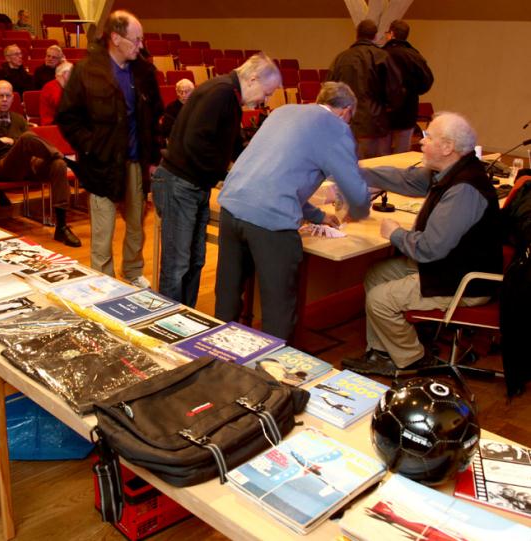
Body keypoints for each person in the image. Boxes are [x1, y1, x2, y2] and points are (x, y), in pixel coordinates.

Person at [342, 112, 503, 376]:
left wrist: (395, 233)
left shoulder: (464, 189)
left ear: (447, 147)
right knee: (376, 274)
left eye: (428, 138)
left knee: (380, 299)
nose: (421, 143)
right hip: (450, 265)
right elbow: (406, 179)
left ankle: (412, 360)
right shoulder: (453, 170)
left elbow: (430, 248)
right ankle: (382, 353)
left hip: (463, 281)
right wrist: (356, 173)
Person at [214, 82, 371, 341]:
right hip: (270, 222)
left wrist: (317, 216)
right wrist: (362, 204)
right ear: (346, 111)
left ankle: (216, 361)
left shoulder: (283, 111)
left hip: (233, 207)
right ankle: (272, 373)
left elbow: (275, 174)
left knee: (227, 298)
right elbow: (355, 193)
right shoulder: (336, 128)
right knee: (279, 308)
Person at [152, 53, 282, 307]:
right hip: (180, 183)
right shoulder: (221, 93)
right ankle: (166, 327)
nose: (263, 101)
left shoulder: (228, 96)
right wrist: (225, 176)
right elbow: (196, 143)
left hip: (194, 185)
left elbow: (233, 146)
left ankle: (185, 317)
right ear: (253, 79)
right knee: (177, 265)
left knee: (195, 260)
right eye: (266, 93)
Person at [58, 10, 164, 286]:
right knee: (103, 229)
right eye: (136, 39)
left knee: (136, 225)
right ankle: (103, 281)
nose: (140, 46)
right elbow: (68, 117)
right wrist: (91, 146)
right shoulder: (87, 71)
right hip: (101, 164)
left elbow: (154, 117)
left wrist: (153, 157)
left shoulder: (143, 71)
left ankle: (132, 272)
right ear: (115, 38)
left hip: (135, 161)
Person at [0, 80, 81, 247]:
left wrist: (11, 141)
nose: (4, 99)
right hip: (1, 165)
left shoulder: (17, 118)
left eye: (8, 96)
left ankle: (61, 226)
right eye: (0, 95)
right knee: (26, 138)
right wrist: (15, 143)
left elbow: (32, 145)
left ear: (12, 99)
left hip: (27, 163)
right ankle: (70, 161)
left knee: (58, 165)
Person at [328, 19, 404, 159]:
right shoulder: (382, 57)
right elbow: (395, 88)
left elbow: (329, 89)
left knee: (349, 166)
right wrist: (390, 107)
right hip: (375, 123)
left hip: (347, 122)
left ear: (357, 35)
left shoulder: (341, 58)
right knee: (376, 169)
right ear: (375, 36)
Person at [383, 20, 434, 153]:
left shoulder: (381, 54)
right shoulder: (415, 55)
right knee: (402, 155)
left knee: (379, 158)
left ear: (392, 34)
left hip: (384, 112)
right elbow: (427, 81)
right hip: (407, 110)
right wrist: (412, 92)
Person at [40, 61, 73, 125]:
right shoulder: (50, 87)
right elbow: (62, 106)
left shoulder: (68, 86)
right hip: (51, 124)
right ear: (63, 74)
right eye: (72, 72)